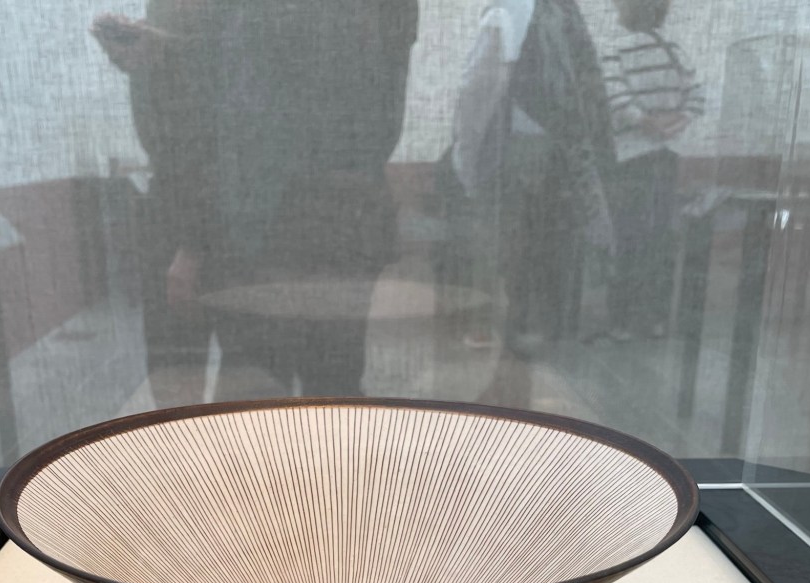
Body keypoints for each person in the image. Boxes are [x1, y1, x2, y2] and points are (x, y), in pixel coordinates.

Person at [205, 0, 418, 396]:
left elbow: (266, 106)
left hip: (289, 215)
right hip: (326, 211)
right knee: (317, 382)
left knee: (273, 388)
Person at [443, 0, 616, 357]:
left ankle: (487, 326)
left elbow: (480, 85)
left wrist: (464, 153)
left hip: (513, 145)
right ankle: (534, 324)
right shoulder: (564, 9)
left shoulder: (508, 9)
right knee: (539, 240)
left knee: (495, 238)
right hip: (562, 148)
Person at [91, 2, 220, 398]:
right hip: (174, 225)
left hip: (202, 231)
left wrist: (191, 250)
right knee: (172, 371)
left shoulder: (198, 70)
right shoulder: (150, 73)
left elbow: (206, 162)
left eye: (120, 56)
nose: (118, 65)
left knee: (216, 373)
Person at [602, 0, 704, 340]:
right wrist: (674, 124)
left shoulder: (615, 50)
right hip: (667, 156)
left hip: (630, 158)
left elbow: (615, 98)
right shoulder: (675, 50)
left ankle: (621, 322)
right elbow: (696, 98)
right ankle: (656, 318)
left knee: (627, 238)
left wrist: (645, 122)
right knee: (660, 238)